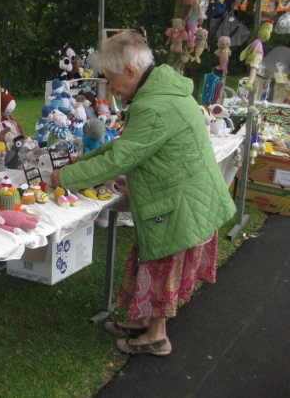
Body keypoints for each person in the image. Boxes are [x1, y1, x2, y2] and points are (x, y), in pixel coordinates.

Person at [51, 31, 236, 356]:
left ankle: (157, 337)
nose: (110, 88)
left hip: (179, 203)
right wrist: (84, 160)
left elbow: (122, 158)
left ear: (130, 71)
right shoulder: (161, 91)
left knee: (161, 265)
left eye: (112, 80)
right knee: (154, 261)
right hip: (184, 197)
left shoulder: (153, 105)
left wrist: (64, 176)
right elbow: (128, 144)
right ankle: (144, 323)